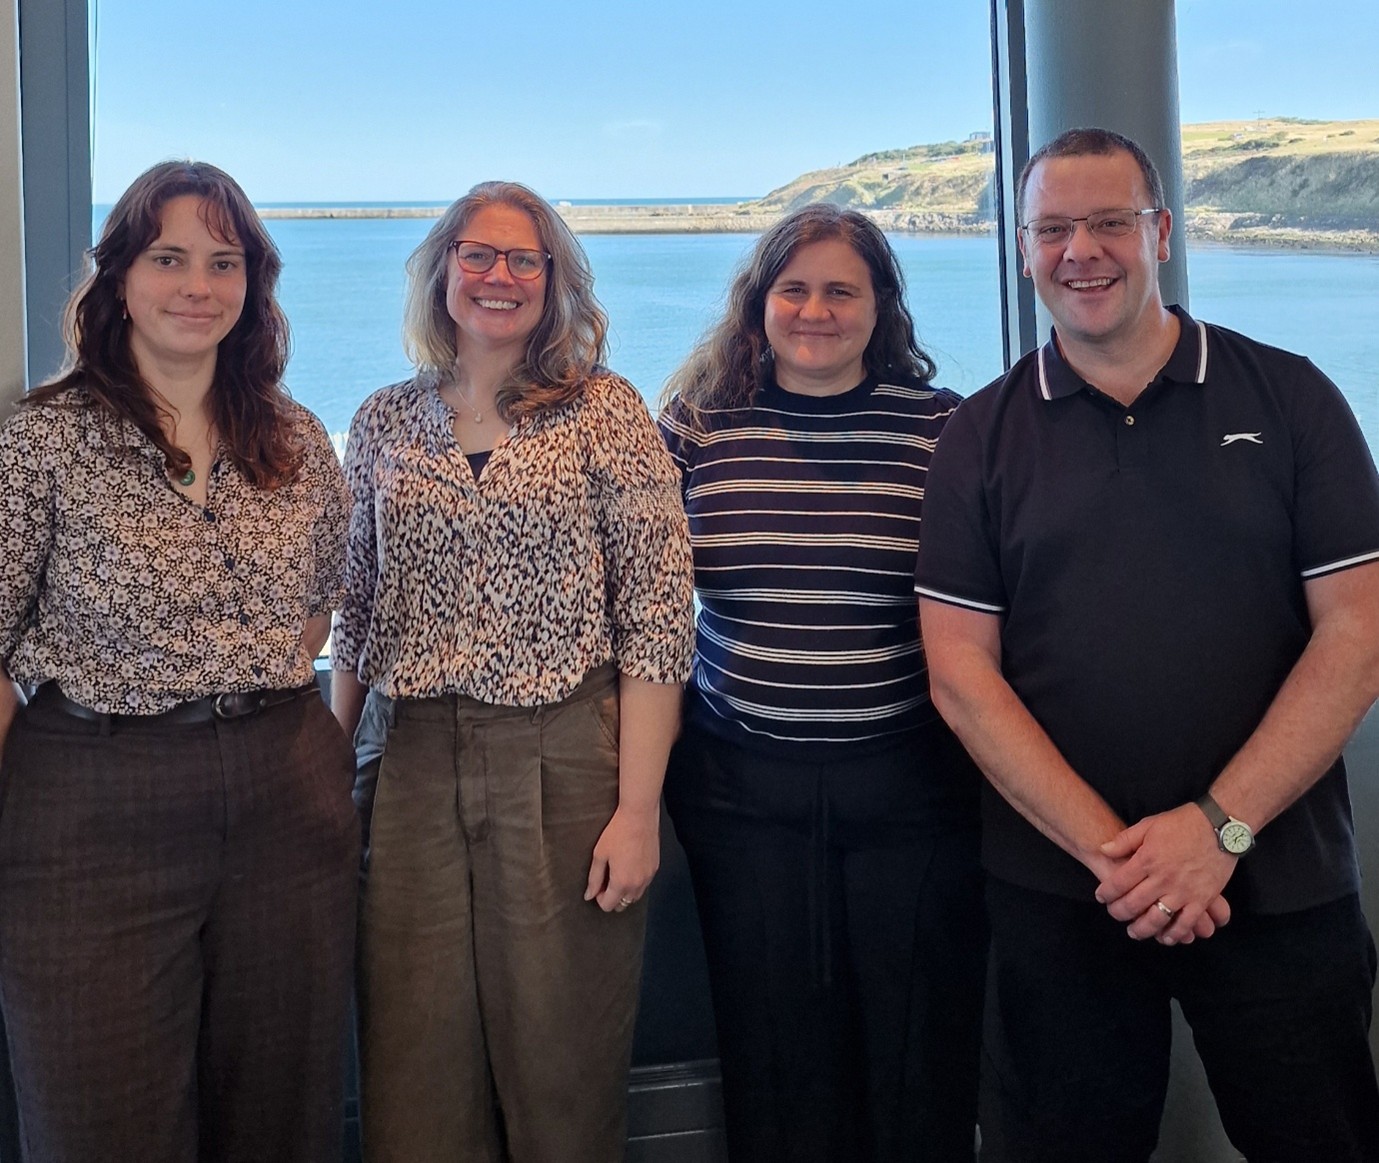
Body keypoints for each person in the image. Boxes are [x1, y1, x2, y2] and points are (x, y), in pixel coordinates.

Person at [915, 126, 1379, 1162]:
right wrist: (1120, 859)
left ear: (1159, 232)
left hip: (1275, 875)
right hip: (1059, 891)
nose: (1079, 250)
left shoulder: (1290, 397)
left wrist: (1212, 834)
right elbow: (958, 672)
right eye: (1051, 229)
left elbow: (1357, 631)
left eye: (1107, 222)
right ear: (1023, 249)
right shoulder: (979, 435)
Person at [0, 161, 358, 1163]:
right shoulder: (47, 439)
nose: (197, 285)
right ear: (120, 276)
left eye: (223, 261)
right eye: (169, 258)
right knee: (95, 1114)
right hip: (90, 798)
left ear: (252, 283)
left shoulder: (293, 439)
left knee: (280, 1111)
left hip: (284, 786)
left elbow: (321, 601)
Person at [330, 180, 694, 1163]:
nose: (497, 275)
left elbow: (657, 619)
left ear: (551, 280)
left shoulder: (602, 413)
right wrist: (332, 777)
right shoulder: (380, 423)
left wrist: (635, 810)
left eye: (521, 259)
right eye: (476, 254)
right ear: (441, 270)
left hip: (565, 752)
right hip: (404, 762)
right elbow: (357, 615)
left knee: (561, 1070)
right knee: (411, 1070)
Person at [658, 203, 986, 1162]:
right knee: (772, 1060)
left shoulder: (943, 429)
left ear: (880, 306)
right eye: (792, 289)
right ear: (758, 305)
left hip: (911, 789)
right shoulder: (695, 428)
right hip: (740, 791)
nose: (815, 310)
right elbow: (631, 594)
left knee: (919, 1051)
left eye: (841, 289)